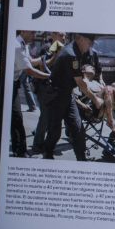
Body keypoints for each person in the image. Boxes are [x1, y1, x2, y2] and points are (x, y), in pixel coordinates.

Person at [41, 33, 102, 161]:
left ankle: (82, 159)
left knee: (78, 128)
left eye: (92, 43)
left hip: (67, 95)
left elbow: (84, 76)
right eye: (89, 42)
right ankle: (47, 155)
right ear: (80, 38)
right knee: (54, 132)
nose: (90, 45)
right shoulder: (71, 54)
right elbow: (80, 82)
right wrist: (95, 99)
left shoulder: (80, 52)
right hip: (55, 96)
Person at [11, 30, 48, 157]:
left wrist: (47, 58)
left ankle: (18, 150)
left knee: (14, 118)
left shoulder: (23, 45)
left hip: (14, 84)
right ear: (24, 31)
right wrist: (49, 76)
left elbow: (31, 62)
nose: (34, 36)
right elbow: (29, 70)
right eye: (32, 33)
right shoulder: (16, 46)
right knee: (16, 118)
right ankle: (20, 151)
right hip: (9, 85)